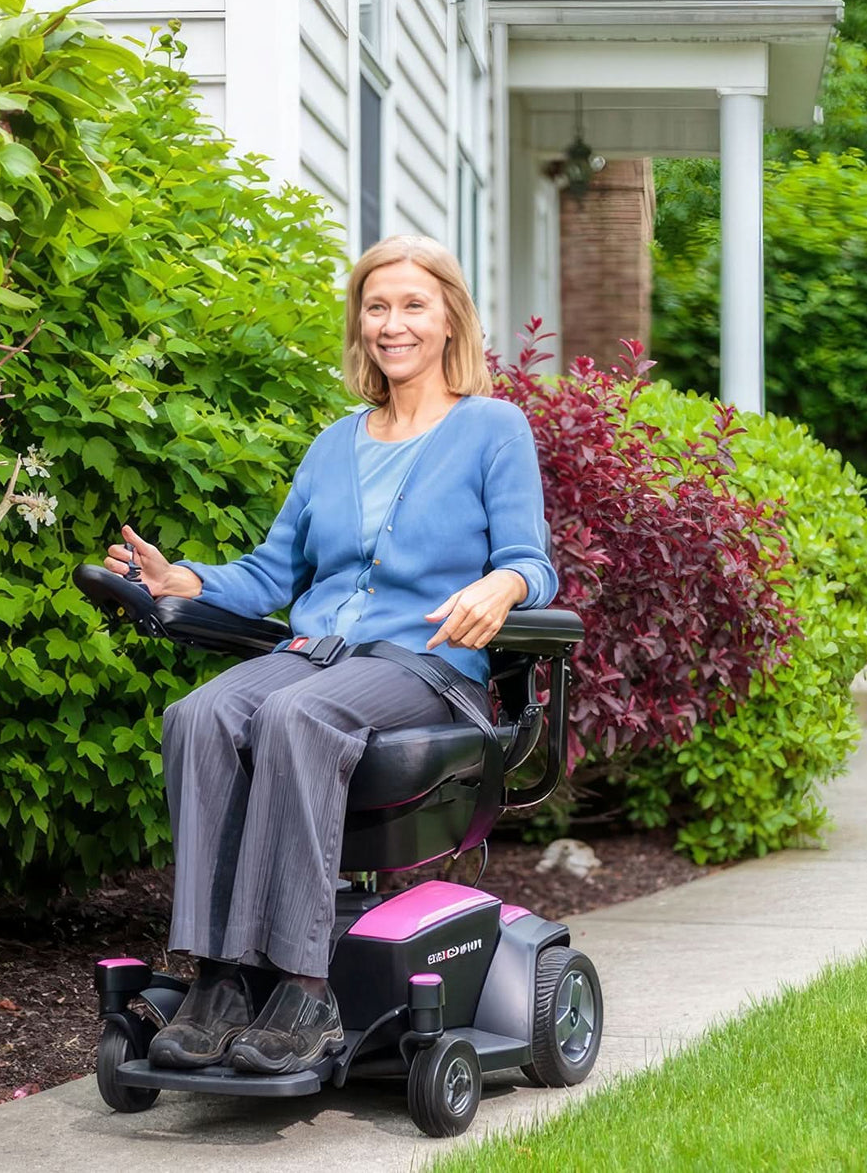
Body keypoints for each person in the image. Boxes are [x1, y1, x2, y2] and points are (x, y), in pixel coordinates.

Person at [102, 235, 557, 1076]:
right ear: (361, 323)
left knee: (292, 713)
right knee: (198, 713)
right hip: (322, 653)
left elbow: (535, 560)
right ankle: (219, 979)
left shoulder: (493, 427)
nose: (394, 324)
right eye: (377, 306)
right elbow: (271, 572)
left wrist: (502, 587)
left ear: (450, 316)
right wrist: (184, 578)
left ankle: (304, 987)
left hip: (424, 667)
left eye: (413, 305)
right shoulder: (334, 443)